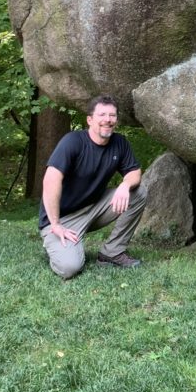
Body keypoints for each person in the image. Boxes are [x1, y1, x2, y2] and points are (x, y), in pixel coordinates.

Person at [38, 94, 147, 278]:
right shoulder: (73, 141)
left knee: (138, 192)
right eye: (102, 115)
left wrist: (124, 185)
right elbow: (50, 180)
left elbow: (135, 173)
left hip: (94, 208)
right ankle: (57, 244)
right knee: (69, 268)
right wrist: (55, 224)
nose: (108, 120)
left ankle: (111, 253)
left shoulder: (120, 143)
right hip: (61, 219)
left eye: (112, 115)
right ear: (90, 119)